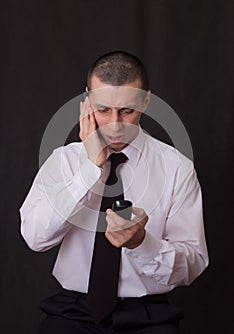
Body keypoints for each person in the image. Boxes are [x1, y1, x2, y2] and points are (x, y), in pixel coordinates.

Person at [20, 51, 209, 334]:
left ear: (146, 101)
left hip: (148, 316)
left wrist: (142, 242)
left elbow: (193, 264)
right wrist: (88, 170)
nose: (114, 125)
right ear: (87, 102)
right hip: (72, 313)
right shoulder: (64, 161)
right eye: (103, 109)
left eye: (127, 111)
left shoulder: (176, 168)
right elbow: (36, 239)